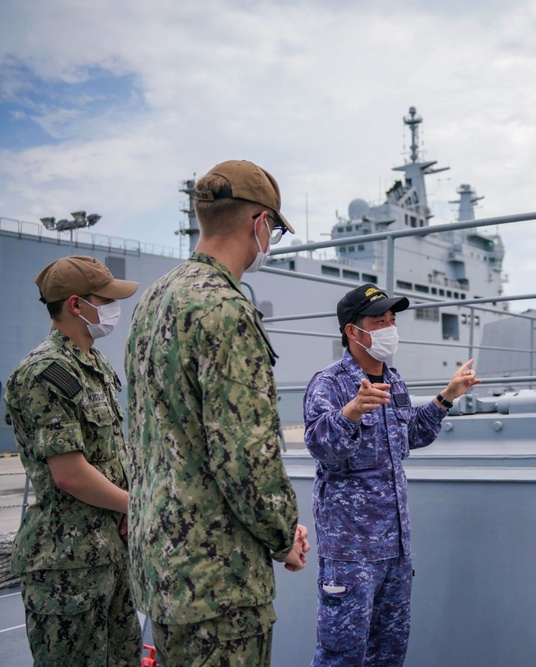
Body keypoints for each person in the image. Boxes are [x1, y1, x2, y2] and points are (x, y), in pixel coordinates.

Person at [125, 159, 309, 666]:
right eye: (272, 227)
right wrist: (282, 536)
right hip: (217, 583)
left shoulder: (154, 300)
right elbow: (246, 455)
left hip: (161, 569)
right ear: (259, 223)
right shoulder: (225, 310)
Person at [303, 283, 480, 667]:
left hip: (395, 553)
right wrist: (350, 413)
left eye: (391, 319)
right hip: (351, 556)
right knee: (342, 657)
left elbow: (410, 433)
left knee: (388, 654)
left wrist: (446, 397)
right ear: (353, 330)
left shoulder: (393, 380)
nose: (388, 327)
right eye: (378, 320)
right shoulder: (329, 384)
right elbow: (318, 445)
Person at [3, 255, 142, 665]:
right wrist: (135, 506)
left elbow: (113, 451)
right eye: (106, 299)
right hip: (67, 564)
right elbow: (70, 474)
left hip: (109, 554)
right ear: (77, 305)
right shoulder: (44, 372)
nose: (114, 309)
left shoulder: (94, 364)